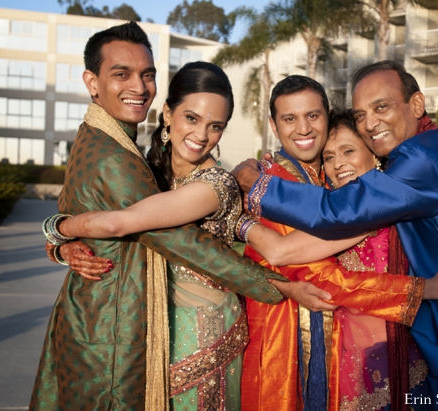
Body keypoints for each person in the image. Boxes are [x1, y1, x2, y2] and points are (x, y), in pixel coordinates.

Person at [233, 61, 438, 410]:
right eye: (360, 114)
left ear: (416, 105)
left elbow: (335, 212)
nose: (370, 123)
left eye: (381, 107)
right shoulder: (422, 151)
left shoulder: (419, 160)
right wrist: (254, 232)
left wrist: (254, 185)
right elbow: (289, 250)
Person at [31, 23, 286, 411]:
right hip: (117, 326)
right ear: (92, 81)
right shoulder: (125, 156)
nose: (139, 85)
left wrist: (60, 232)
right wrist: (60, 238)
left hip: (198, 329)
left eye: (147, 75)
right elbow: (172, 237)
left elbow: (172, 234)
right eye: (122, 74)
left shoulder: (108, 141)